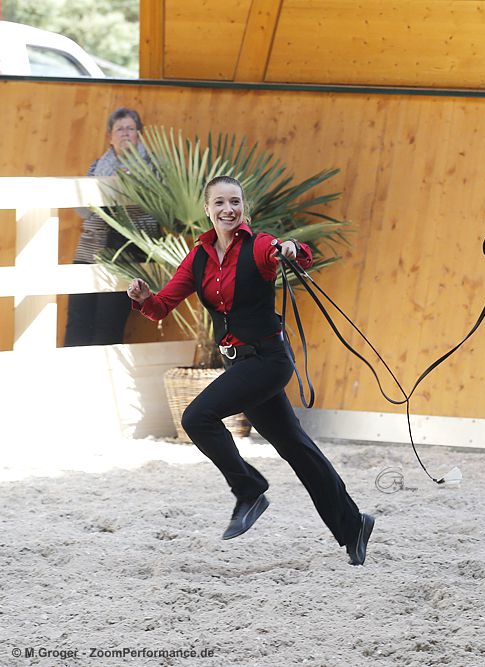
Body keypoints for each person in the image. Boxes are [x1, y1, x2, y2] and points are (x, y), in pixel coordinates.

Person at [126, 175, 375, 565]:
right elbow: (161, 306)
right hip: (241, 363)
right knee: (297, 448)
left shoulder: (259, 246)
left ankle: (249, 489)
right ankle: (352, 524)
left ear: (244, 207)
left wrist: (292, 248)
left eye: (235, 202)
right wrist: (143, 298)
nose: (229, 210)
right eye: (220, 203)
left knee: (197, 417)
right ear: (207, 210)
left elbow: (298, 253)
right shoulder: (199, 258)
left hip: (268, 361)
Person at [65, 107, 160, 347]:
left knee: (108, 323)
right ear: (110, 136)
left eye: (130, 128)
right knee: (77, 319)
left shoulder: (153, 168)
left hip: (128, 254)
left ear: (139, 134)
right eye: (120, 129)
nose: (125, 134)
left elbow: (157, 212)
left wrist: (128, 187)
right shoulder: (98, 166)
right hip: (90, 251)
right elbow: (82, 210)